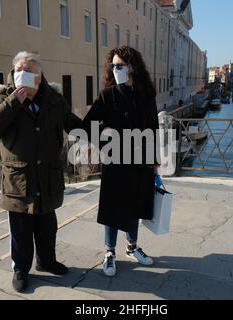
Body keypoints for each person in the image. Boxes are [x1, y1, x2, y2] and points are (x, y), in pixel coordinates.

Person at [0, 51, 81, 292]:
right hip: (18, 179)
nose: (23, 74)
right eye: (19, 70)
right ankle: (20, 269)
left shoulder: (54, 99)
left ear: (39, 76)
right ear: (13, 73)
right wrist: (14, 102)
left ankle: (47, 261)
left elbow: (74, 124)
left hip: (47, 176)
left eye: (30, 70)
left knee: (47, 225)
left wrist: (102, 132)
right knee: (21, 230)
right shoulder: (2, 96)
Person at [82, 46, 160, 277]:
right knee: (113, 208)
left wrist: (154, 160)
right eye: (113, 66)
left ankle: (132, 247)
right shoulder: (108, 95)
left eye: (119, 66)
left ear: (132, 67)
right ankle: (109, 252)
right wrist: (107, 142)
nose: (115, 69)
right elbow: (87, 126)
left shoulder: (147, 95)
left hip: (140, 162)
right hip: (115, 162)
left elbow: (154, 129)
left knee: (135, 206)